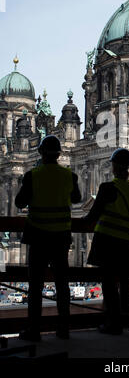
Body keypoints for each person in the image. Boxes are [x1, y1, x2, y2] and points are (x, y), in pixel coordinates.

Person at [15, 135, 81, 341]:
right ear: (59, 154)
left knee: (36, 285)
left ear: (41, 153)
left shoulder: (32, 175)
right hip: (61, 237)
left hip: (38, 236)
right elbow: (77, 199)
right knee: (62, 284)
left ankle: (34, 330)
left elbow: (19, 203)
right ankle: (64, 329)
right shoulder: (69, 176)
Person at [85, 148, 129, 335]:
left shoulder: (107, 188)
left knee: (109, 284)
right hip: (127, 242)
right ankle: (127, 321)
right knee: (126, 283)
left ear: (115, 167)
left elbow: (93, 215)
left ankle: (113, 322)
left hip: (108, 241)